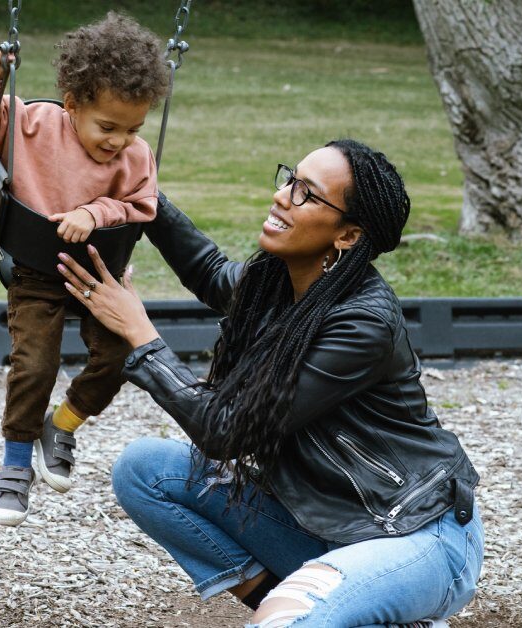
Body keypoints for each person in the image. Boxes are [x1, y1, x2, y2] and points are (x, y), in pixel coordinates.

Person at [57, 140, 484, 626]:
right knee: (145, 470)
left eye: (307, 193)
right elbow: (210, 272)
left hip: (415, 536)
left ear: (347, 234)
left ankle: (327, 607)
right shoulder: (278, 285)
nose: (283, 195)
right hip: (324, 527)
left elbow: (227, 432)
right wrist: (142, 194)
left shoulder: (362, 324)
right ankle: (314, 604)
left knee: (291, 618)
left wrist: (140, 333)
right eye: (290, 179)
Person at [0, 12, 172, 526]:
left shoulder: (135, 156)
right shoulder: (30, 124)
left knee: (120, 357)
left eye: (134, 128)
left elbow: (141, 205)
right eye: (109, 126)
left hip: (101, 274)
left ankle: (63, 423)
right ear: (72, 105)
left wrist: (94, 212)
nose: (121, 141)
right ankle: (14, 467)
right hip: (36, 270)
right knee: (34, 365)